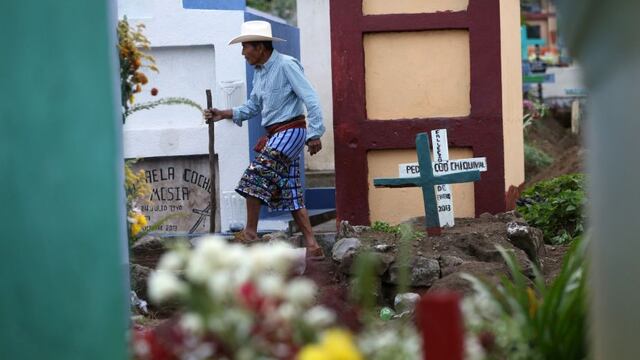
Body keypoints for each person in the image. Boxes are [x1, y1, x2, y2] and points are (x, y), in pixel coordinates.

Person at [204, 21, 326, 259]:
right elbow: (252, 106)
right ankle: (313, 246)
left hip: (291, 130)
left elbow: (311, 98)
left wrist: (315, 133)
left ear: (260, 47)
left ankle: (250, 233)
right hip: (277, 133)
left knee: (255, 176)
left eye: (246, 47)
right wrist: (224, 113)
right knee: (291, 191)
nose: (243, 53)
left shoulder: (287, 65)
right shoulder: (259, 74)